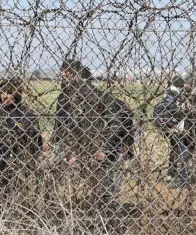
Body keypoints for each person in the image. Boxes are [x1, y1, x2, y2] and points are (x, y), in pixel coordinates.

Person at [52, 58, 135, 218]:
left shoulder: (94, 97)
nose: (63, 80)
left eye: (66, 76)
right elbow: (64, 124)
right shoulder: (66, 97)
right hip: (79, 150)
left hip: (98, 152)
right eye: (62, 76)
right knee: (68, 184)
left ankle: (113, 225)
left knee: (104, 191)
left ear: (76, 76)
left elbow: (118, 121)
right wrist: (66, 148)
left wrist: (105, 149)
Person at [0, 79, 42, 195]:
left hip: (19, 162)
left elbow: (37, 143)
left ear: (16, 95)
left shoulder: (26, 115)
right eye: (2, 92)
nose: (5, 96)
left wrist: (29, 159)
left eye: (9, 92)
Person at [153, 75, 196, 188]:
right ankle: (179, 175)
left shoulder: (170, 91)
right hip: (177, 125)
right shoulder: (175, 93)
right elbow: (177, 109)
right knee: (181, 150)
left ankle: (174, 174)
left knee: (177, 150)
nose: (186, 85)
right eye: (184, 83)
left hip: (171, 125)